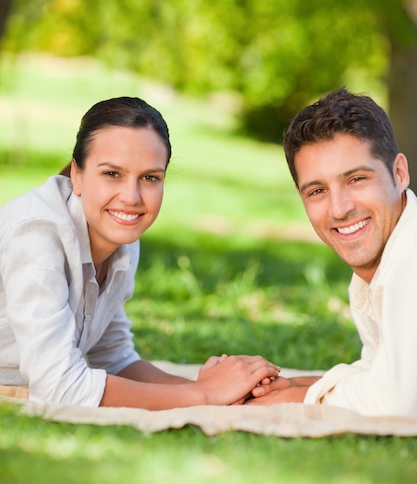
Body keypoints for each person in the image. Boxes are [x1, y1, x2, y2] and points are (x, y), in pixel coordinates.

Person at [0, 96, 279, 409]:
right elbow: (59, 388)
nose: (131, 198)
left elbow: (113, 359)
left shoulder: (122, 240)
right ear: (77, 175)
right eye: (112, 174)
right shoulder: (37, 234)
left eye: (149, 178)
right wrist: (204, 396)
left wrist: (218, 388)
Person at [249, 87, 417, 418]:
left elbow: (400, 401)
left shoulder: (407, 264)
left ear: (399, 173)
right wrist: (299, 385)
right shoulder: (378, 268)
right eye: (318, 190)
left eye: (356, 179)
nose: (339, 209)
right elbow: (380, 371)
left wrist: (294, 401)